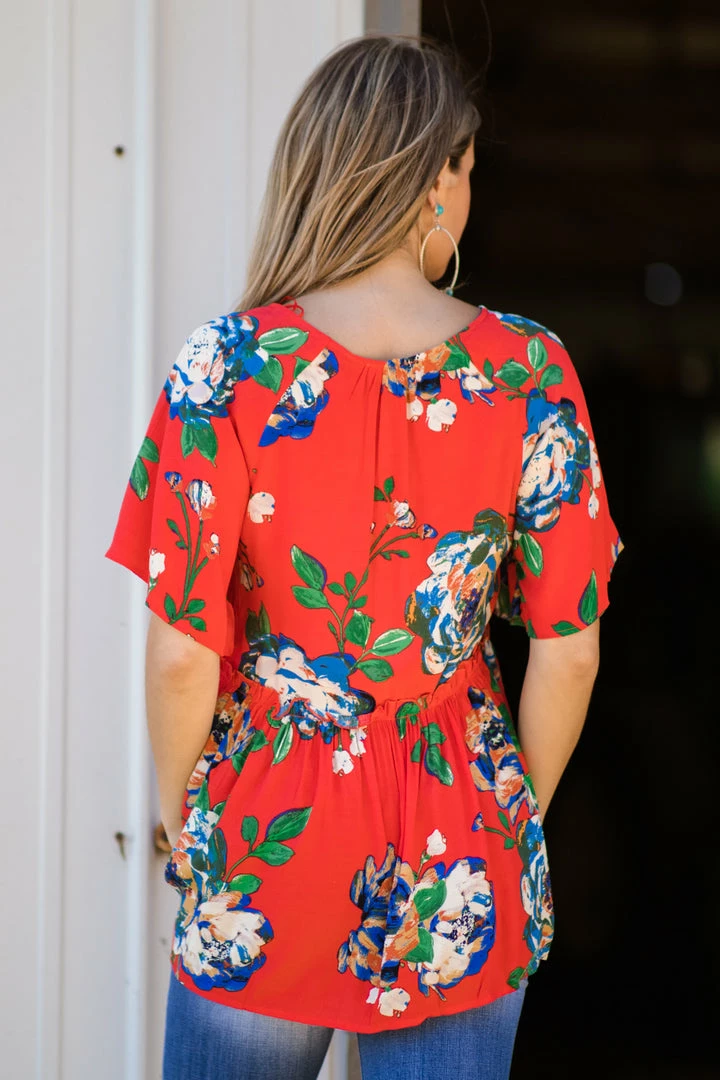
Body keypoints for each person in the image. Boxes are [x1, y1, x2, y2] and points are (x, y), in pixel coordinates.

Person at [105, 33, 624, 1080]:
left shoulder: (227, 366)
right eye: (467, 168)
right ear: (437, 180)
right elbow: (569, 652)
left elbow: (180, 654)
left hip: (263, 837)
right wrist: (508, 813)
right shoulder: (529, 371)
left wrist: (184, 818)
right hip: (460, 840)